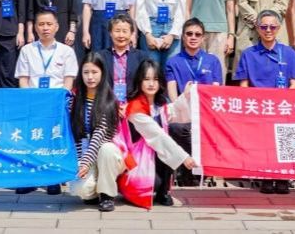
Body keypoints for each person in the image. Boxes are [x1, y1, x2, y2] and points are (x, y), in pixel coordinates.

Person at [234, 10, 295, 193]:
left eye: (272, 27)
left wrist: (283, 102)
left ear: (278, 28)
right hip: (258, 108)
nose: (268, 30)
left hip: (282, 107)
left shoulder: (288, 53)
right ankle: (265, 175)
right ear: (257, 28)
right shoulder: (248, 54)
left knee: (284, 139)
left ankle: (282, 177)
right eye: (264, 26)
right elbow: (243, 85)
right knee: (262, 143)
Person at [13, 7, 80, 196]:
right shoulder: (27, 50)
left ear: (57, 27)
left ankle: (53, 179)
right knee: (31, 140)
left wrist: (59, 102)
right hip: (33, 105)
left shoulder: (66, 51)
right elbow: (23, 80)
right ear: (35, 27)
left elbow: (68, 81)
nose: (45, 28)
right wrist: (31, 102)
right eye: (41, 24)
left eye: (49, 24)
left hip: (56, 106)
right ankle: (30, 178)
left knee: (53, 141)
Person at [121, 60, 197, 207]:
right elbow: (157, 135)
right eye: (146, 79)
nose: (151, 84)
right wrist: (184, 158)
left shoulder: (159, 105)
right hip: (137, 162)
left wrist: (186, 95)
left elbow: (175, 111)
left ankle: (164, 192)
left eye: (155, 79)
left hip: (155, 159)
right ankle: (157, 189)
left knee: (175, 131)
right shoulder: (135, 108)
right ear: (139, 81)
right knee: (165, 142)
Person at [163, 18, 219, 186]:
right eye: (189, 34)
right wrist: (183, 100)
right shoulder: (173, 62)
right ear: (183, 36)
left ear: (203, 38)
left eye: (197, 34)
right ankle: (189, 168)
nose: (193, 37)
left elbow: (216, 92)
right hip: (182, 113)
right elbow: (172, 93)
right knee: (177, 128)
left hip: (206, 114)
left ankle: (195, 170)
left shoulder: (213, 61)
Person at [68, 54, 123, 212]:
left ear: (102, 73)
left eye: (94, 72)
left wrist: (85, 162)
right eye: (86, 72)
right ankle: (94, 190)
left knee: (107, 149)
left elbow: (99, 135)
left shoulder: (109, 100)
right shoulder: (74, 99)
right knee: (80, 190)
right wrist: (80, 162)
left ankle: (107, 195)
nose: (90, 77)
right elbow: (76, 134)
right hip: (86, 152)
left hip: (107, 154)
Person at [96, 12, 147, 103]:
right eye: (117, 31)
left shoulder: (141, 57)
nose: (121, 35)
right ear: (110, 33)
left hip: (133, 104)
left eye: (125, 31)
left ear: (131, 33)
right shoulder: (100, 56)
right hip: (107, 104)